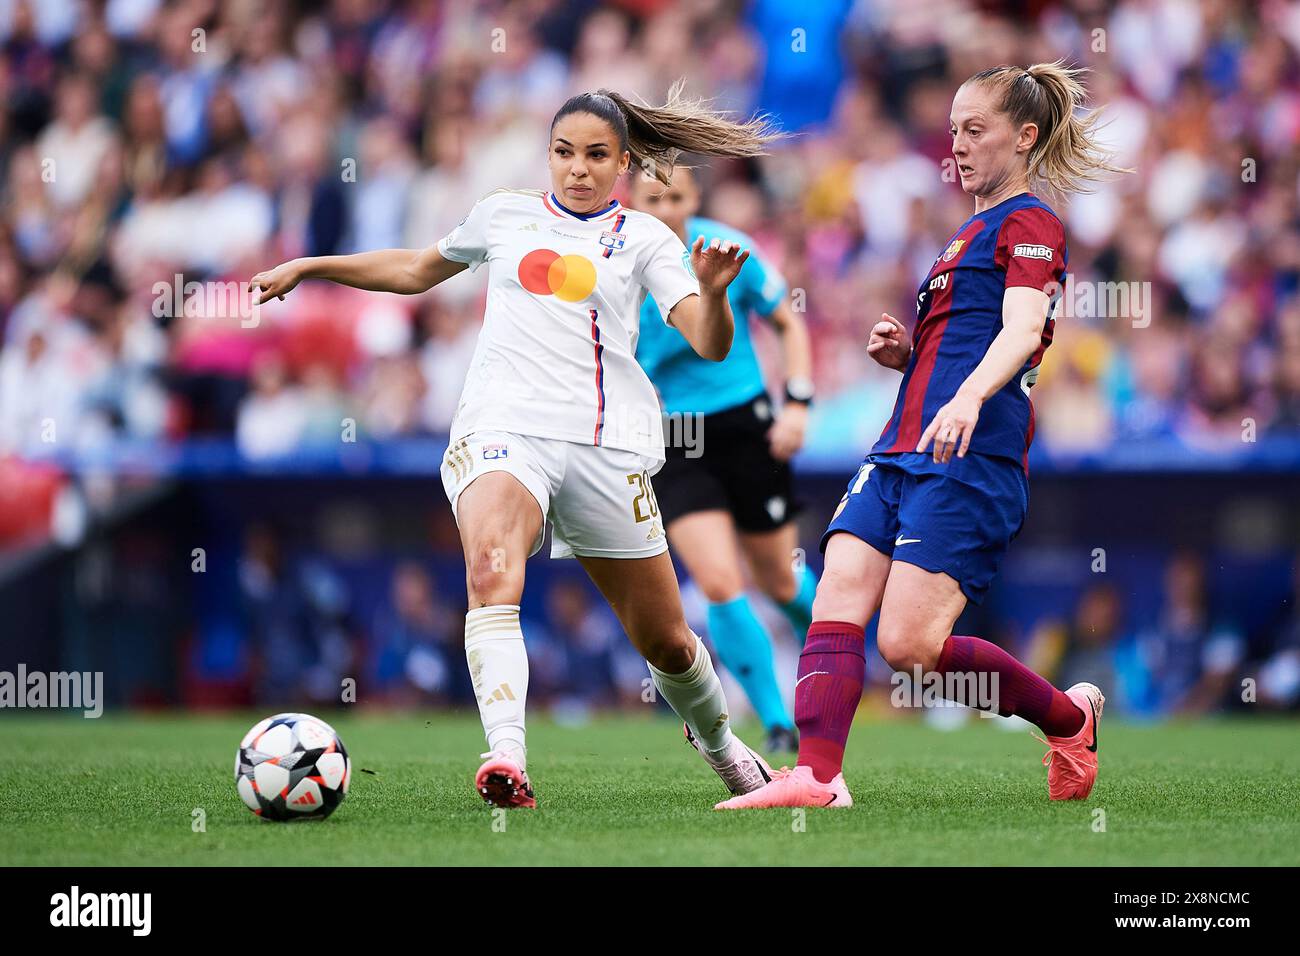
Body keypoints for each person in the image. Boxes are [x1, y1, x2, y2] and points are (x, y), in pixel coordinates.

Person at [250, 81, 786, 809]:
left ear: (623, 162)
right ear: (548, 156)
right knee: (491, 569)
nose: (578, 168)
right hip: (502, 426)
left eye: (597, 155)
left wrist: (717, 293)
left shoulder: (647, 239)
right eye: (564, 152)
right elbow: (415, 270)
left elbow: (709, 342)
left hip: (604, 446)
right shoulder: (503, 215)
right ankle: (506, 754)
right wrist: (314, 267)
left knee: (666, 641)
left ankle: (725, 750)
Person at [719, 62, 1128, 810]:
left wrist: (969, 396)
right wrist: (907, 357)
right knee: (836, 588)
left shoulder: (1030, 220)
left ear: (1026, 136)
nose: (959, 147)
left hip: (971, 452)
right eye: (953, 132)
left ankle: (1070, 718)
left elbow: (1024, 330)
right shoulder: (963, 234)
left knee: (908, 647)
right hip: (904, 443)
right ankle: (818, 777)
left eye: (976, 131)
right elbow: (969, 342)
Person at [627, 165, 816, 753]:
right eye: (652, 198)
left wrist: (798, 403)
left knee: (779, 577)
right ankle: (778, 723)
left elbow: (786, 323)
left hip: (746, 424)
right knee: (718, 582)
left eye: (676, 197)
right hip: (677, 435)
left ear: (695, 198)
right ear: (629, 200)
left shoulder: (729, 251)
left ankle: (837, 652)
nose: (665, 209)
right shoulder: (613, 267)